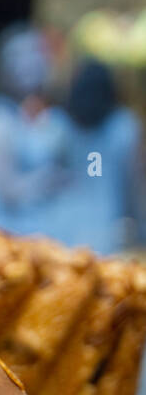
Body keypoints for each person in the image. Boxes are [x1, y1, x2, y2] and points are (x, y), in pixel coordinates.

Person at [0, 24, 73, 237]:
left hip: (40, 240)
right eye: (20, 55)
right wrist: (53, 179)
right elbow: (6, 191)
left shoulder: (49, 117)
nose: (30, 63)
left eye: (36, 52)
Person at [49, 59, 144, 254]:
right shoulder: (125, 126)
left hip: (60, 228)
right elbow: (135, 183)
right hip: (109, 229)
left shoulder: (56, 123)